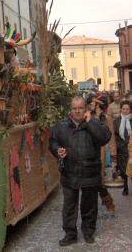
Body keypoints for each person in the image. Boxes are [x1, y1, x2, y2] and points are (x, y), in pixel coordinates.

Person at [50, 96, 111, 246]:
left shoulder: (95, 122)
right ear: (71, 109)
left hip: (90, 172)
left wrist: (90, 123)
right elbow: (52, 141)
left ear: (86, 109)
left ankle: (88, 231)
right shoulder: (62, 125)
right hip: (69, 172)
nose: (77, 111)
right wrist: (57, 150)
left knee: (89, 205)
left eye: (80, 108)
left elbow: (104, 138)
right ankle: (70, 234)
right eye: (74, 108)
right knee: (69, 206)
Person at [86, 94, 115, 214]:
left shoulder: (107, 118)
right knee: (90, 181)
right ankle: (92, 208)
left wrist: (114, 157)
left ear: (99, 105)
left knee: (99, 180)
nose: (91, 105)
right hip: (88, 151)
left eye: (94, 103)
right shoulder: (87, 116)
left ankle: (108, 202)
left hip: (101, 151)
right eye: (91, 103)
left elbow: (112, 138)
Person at [113, 100, 132, 195]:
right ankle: (125, 187)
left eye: (127, 109)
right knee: (124, 171)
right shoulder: (116, 121)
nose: (125, 111)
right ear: (121, 109)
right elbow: (114, 137)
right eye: (123, 109)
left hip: (131, 149)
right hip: (121, 150)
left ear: (130, 110)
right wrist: (119, 146)